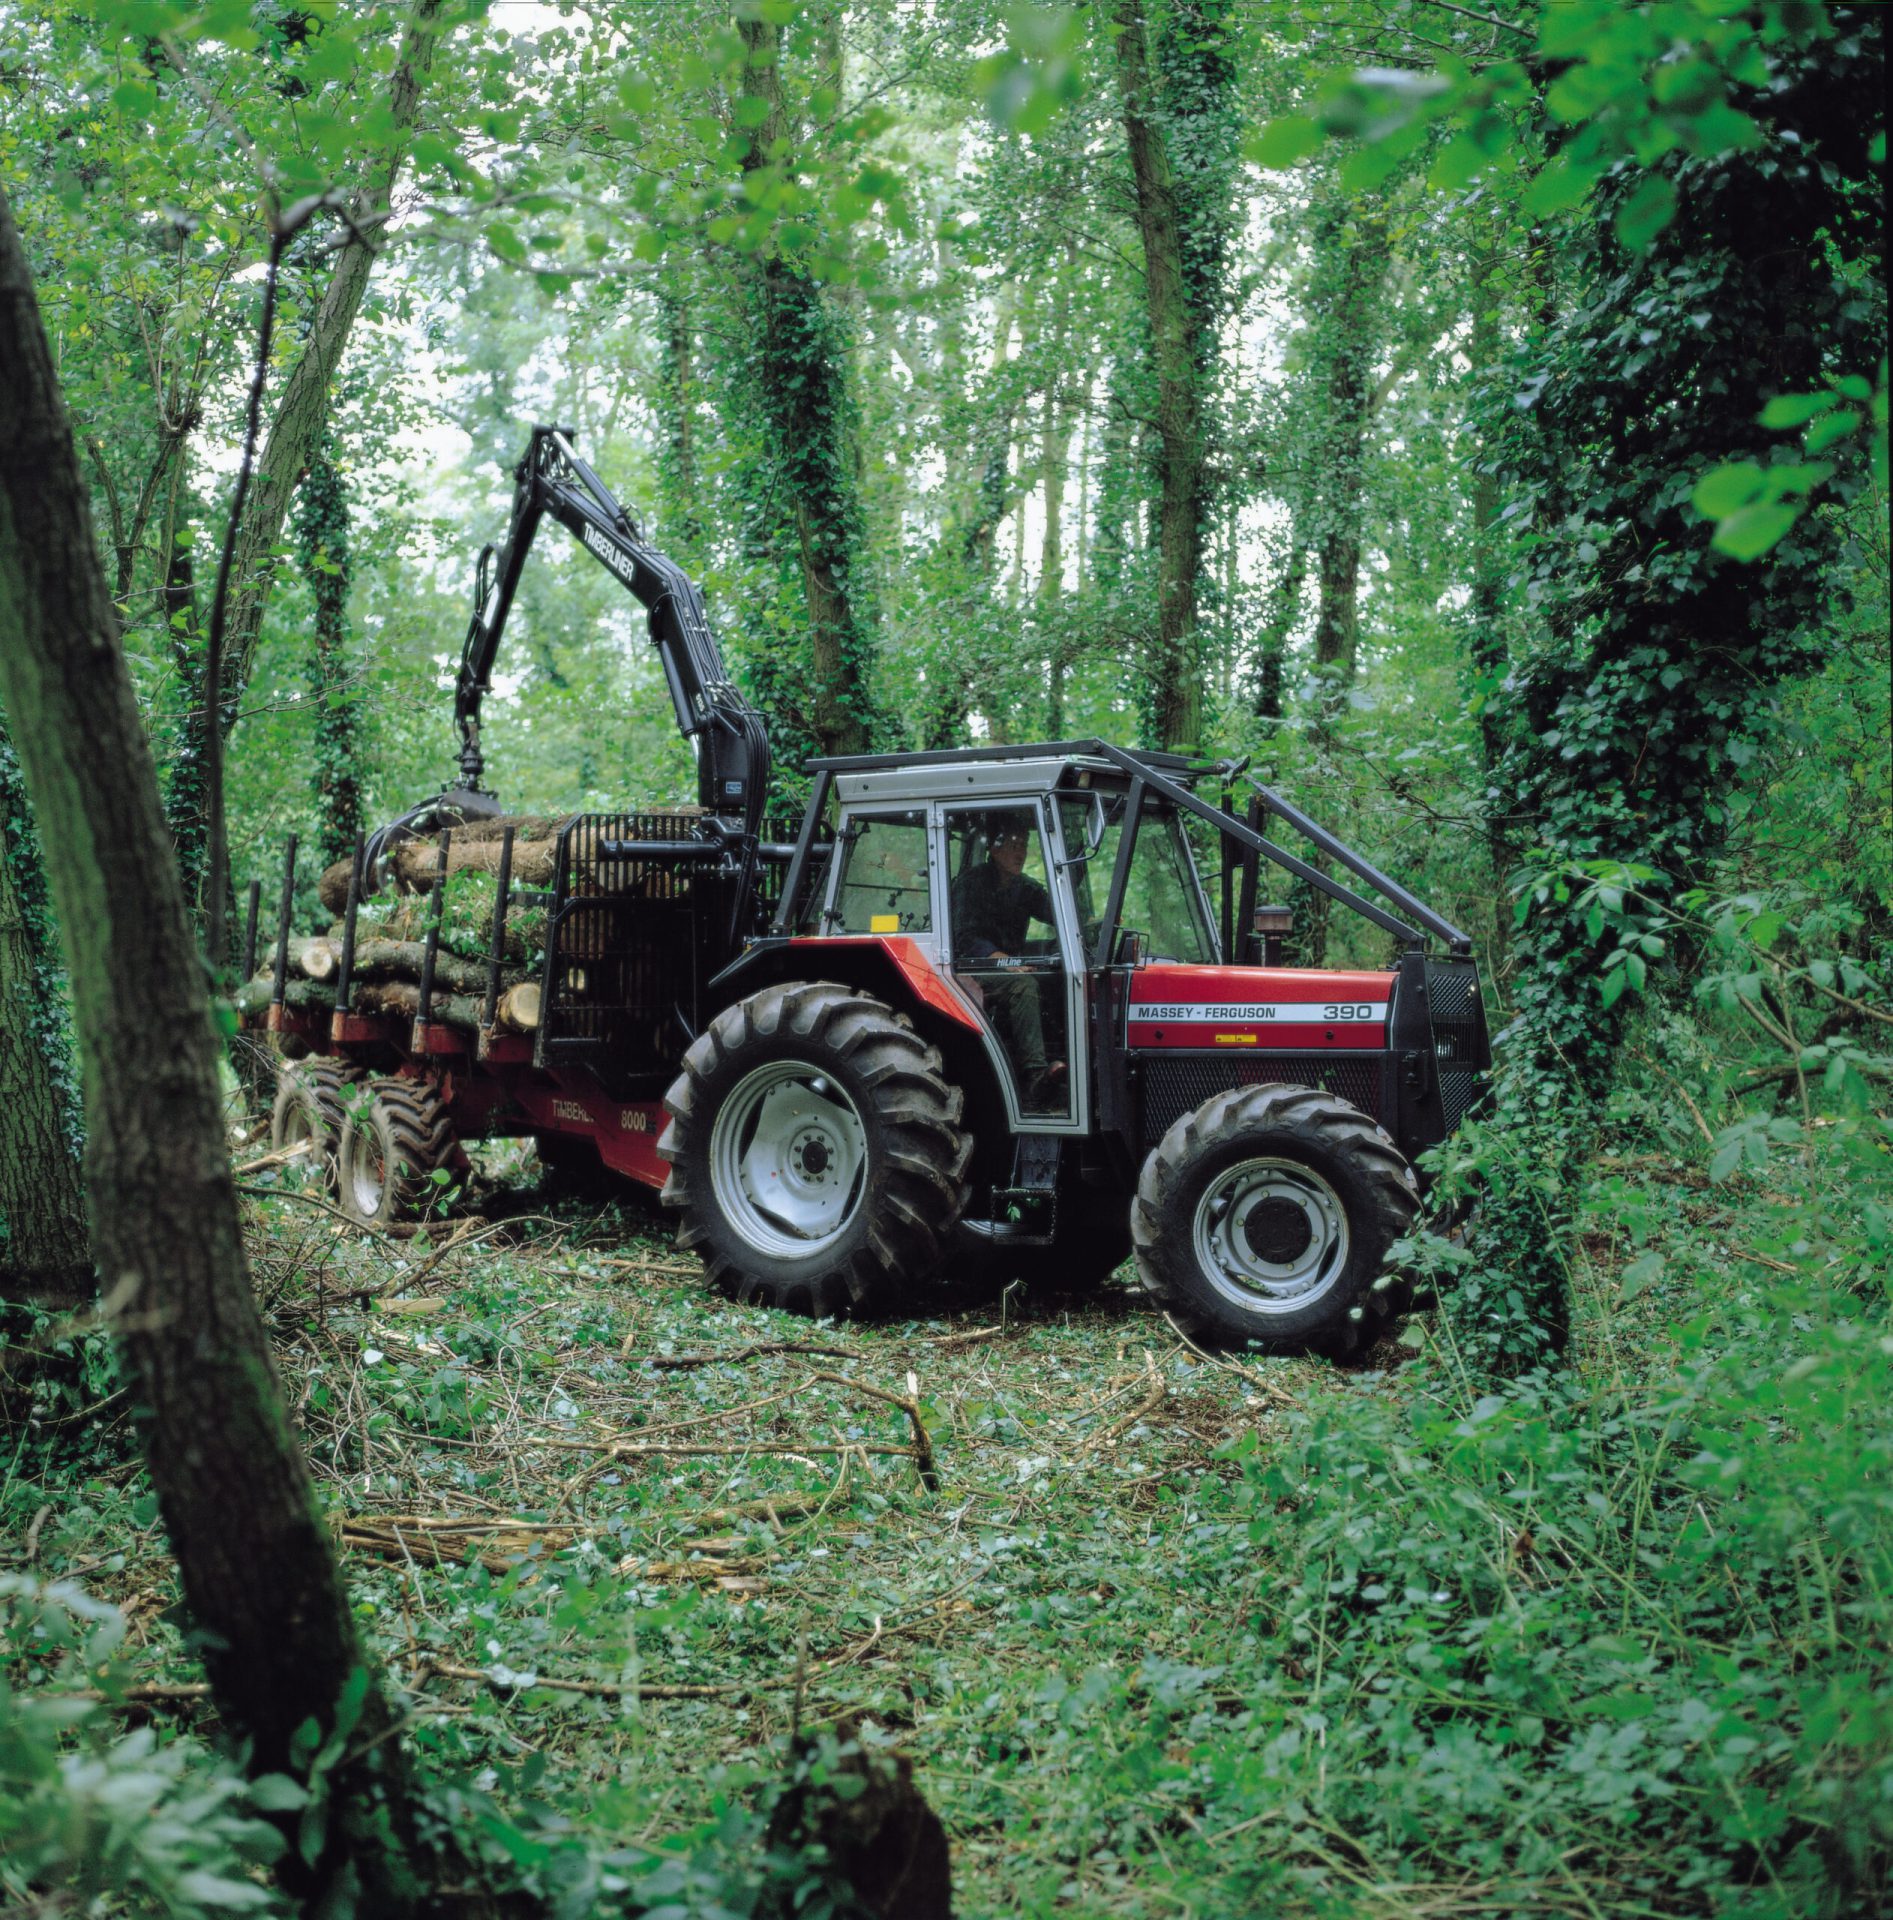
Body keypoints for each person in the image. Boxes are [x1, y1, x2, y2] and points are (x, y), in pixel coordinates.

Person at [950, 816, 1066, 1109]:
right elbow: (964, 937)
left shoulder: (1025, 888)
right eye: (1014, 845)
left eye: (1024, 845)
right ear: (994, 848)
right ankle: (1037, 1076)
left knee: (1059, 976)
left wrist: (1091, 925)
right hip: (969, 969)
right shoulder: (969, 885)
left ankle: (1065, 1064)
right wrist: (1001, 960)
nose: (1021, 853)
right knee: (1022, 984)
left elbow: (1058, 914)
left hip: (1007, 967)